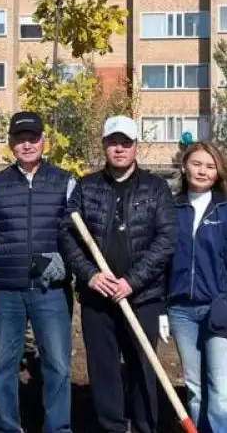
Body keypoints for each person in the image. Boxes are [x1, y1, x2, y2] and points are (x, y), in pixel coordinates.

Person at [60, 116, 177, 433]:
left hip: (143, 298)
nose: (120, 148)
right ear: (104, 145)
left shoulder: (156, 188)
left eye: (126, 142)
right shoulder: (86, 188)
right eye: (113, 142)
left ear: (136, 146)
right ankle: (111, 427)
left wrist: (132, 282)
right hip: (98, 299)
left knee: (143, 369)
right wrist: (91, 276)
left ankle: (144, 427)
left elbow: (166, 241)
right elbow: (68, 237)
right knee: (103, 372)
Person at [0, 112, 75, 433]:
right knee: (4, 365)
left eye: (33, 138)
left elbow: (78, 237)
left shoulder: (64, 182)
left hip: (51, 291)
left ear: (43, 141)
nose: (27, 144)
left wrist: (64, 262)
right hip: (7, 289)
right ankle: (7, 426)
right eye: (20, 139)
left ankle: (57, 427)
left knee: (58, 365)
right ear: (11, 144)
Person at [159, 141, 227, 433]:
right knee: (196, 392)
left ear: (219, 173)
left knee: (222, 394)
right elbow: (161, 261)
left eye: (210, 166)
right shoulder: (171, 209)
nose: (202, 171)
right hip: (181, 311)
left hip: (218, 309)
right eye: (197, 163)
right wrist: (161, 308)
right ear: (185, 167)